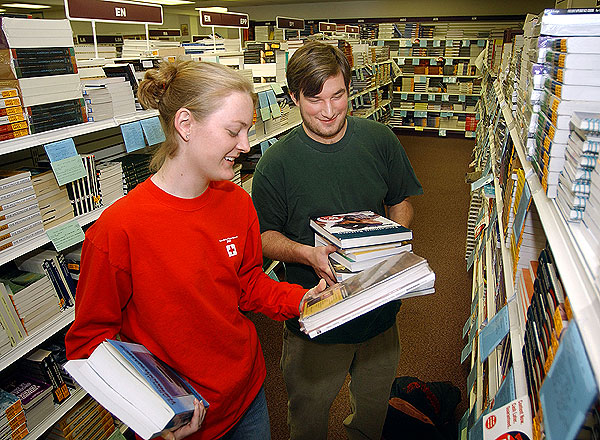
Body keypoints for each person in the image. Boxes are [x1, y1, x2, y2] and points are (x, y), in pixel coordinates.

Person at [65, 60, 325, 440]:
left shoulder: (236, 202)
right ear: (185, 125)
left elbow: (248, 283)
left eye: (247, 131)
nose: (246, 145)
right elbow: (89, 342)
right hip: (181, 421)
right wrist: (148, 417)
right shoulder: (118, 230)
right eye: (233, 131)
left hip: (247, 395)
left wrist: (303, 300)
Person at [251, 41, 424, 440]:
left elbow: (401, 202)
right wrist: (305, 253)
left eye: (338, 95)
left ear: (349, 87)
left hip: (379, 314)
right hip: (315, 319)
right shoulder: (276, 164)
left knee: (372, 415)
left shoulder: (380, 140)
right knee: (308, 421)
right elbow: (262, 238)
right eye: (314, 100)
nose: (328, 111)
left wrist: (396, 245)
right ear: (293, 97)